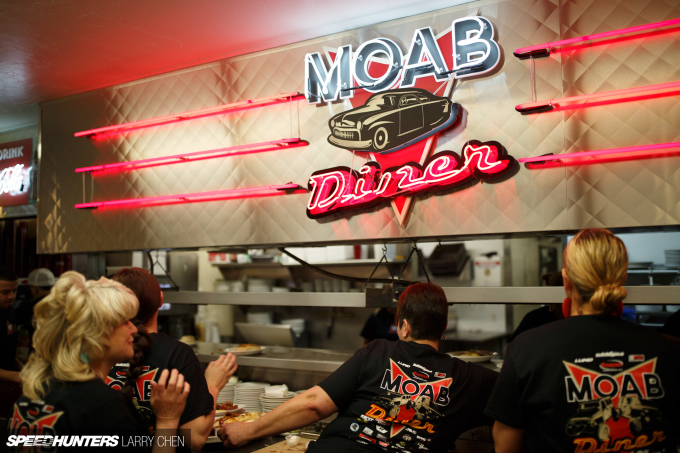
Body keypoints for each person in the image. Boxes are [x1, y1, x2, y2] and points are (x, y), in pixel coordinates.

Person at [218, 282, 498, 453]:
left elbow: (313, 404)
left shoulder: (378, 350)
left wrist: (248, 430)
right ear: (444, 327)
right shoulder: (471, 378)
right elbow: (514, 404)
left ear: (404, 327)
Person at [485, 229, 680, 453]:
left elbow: (506, 446)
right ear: (623, 279)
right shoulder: (669, 350)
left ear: (566, 281)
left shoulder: (526, 349)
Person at [7, 271, 190, 452]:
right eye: (125, 322)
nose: (134, 329)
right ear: (97, 333)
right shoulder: (105, 407)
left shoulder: (32, 393)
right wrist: (167, 421)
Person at [107, 267, 237, 451]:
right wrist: (213, 385)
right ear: (161, 300)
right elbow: (195, 439)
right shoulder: (179, 355)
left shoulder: (100, 353)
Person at [14, 268, 57, 366]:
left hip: (39, 358)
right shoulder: (64, 304)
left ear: (35, 288)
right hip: (61, 357)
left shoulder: (30, 308)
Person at [0, 267, 22, 421]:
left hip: (7, 389)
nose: (12, 296)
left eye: (14, 291)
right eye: (5, 292)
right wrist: (19, 377)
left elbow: (6, 350)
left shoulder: (8, 310)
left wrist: (23, 368)